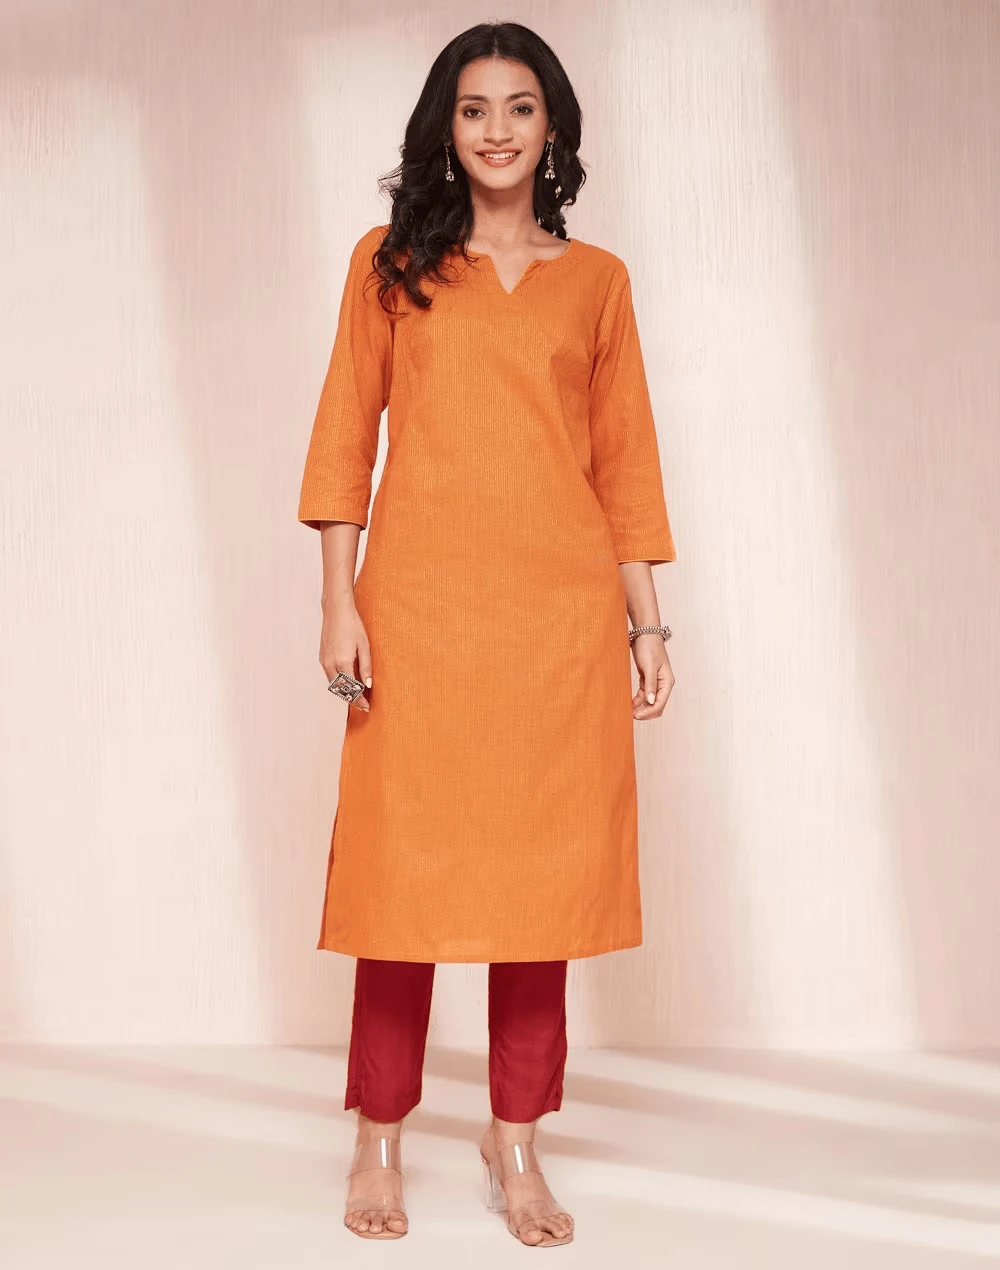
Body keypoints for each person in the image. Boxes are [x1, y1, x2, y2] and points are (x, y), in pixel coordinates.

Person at [297, 20, 677, 1248]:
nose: (496, 130)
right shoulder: (390, 265)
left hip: (555, 628)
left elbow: (623, 465)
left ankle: (516, 1139)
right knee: (399, 885)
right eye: (473, 109)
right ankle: (378, 1132)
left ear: (552, 126)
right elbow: (343, 439)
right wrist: (337, 599)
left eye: (519, 107)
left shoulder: (596, 281)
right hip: (417, 619)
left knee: (539, 891)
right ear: (444, 127)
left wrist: (647, 624)